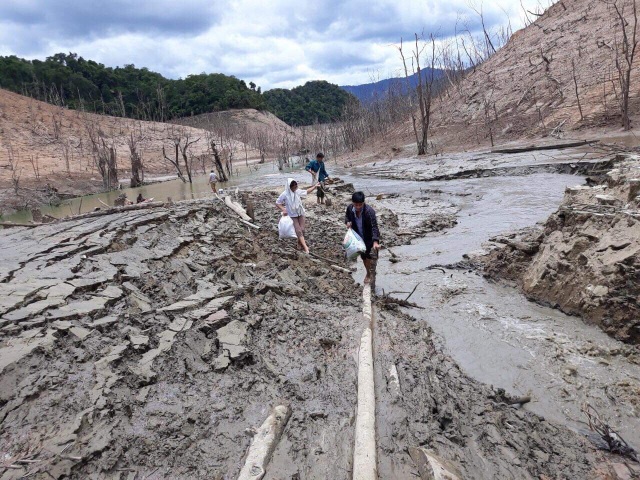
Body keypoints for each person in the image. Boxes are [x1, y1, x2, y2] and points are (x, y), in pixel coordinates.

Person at [276, 178, 319, 253]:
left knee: (302, 229)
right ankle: (306, 247)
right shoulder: (285, 194)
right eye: (294, 186)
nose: (295, 187)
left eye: (296, 185)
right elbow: (278, 202)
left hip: (300, 212)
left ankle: (299, 243)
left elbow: (306, 192)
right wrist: (283, 209)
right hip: (293, 215)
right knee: (298, 230)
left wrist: (315, 187)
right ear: (290, 186)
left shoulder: (297, 191)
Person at [345, 191, 380, 284]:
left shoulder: (369, 212)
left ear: (363, 203)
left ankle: (371, 277)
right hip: (359, 239)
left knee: (371, 258)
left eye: (360, 205)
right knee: (364, 257)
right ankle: (368, 273)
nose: (358, 207)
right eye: (356, 205)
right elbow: (347, 217)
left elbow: (374, 227)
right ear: (353, 203)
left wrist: (375, 241)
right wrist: (348, 222)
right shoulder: (349, 208)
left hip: (369, 238)